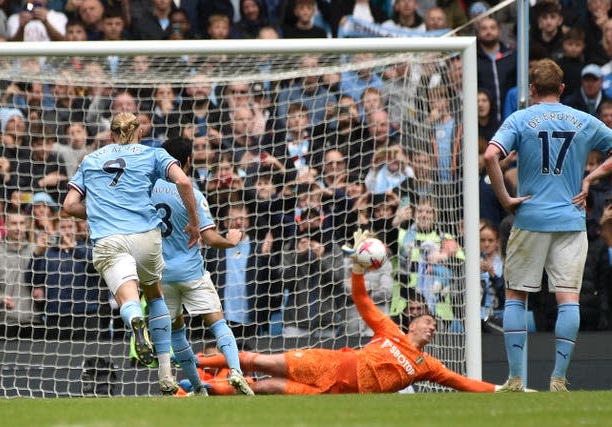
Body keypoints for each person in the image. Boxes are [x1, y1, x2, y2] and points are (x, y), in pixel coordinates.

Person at [196, 230, 508, 395]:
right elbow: (360, 298)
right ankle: (195, 362)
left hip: (334, 393)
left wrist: (501, 388)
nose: (432, 327)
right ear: (411, 324)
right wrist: (357, 269)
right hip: (329, 363)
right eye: (427, 321)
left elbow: (463, 382)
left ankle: (202, 391)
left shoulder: (426, 365)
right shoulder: (389, 331)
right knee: (260, 362)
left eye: (434, 326)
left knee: (263, 387)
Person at [484, 58, 612, 392]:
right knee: (568, 298)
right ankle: (558, 377)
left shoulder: (521, 118)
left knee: (516, 296)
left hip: (530, 218)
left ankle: (514, 377)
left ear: (530, 89)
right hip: (571, 219)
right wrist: (592, 177)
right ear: (562, 88)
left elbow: (489, 156)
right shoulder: (583, 120)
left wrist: (505, 199)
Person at [63, 112, 201, 395]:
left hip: (110, 239)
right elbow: (185, 183)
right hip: (145, 237)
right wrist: (194, 223)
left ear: (111, 135)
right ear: (139, 133)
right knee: (154, 293)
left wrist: (102, 209)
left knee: (128, 298)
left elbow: (69, 205)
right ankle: (165, 374)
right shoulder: (154, 154)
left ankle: (134, 319)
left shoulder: (91, 160)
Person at [151, 137, 255, 396]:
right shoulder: (193, 194)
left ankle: (198, 388)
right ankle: (235, 371)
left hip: (162, 275)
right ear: (187, 161)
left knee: (177, 333)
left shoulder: (148, 191)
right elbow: (209, 239)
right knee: (218, 323)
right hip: (191, 272)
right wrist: (231, 241)